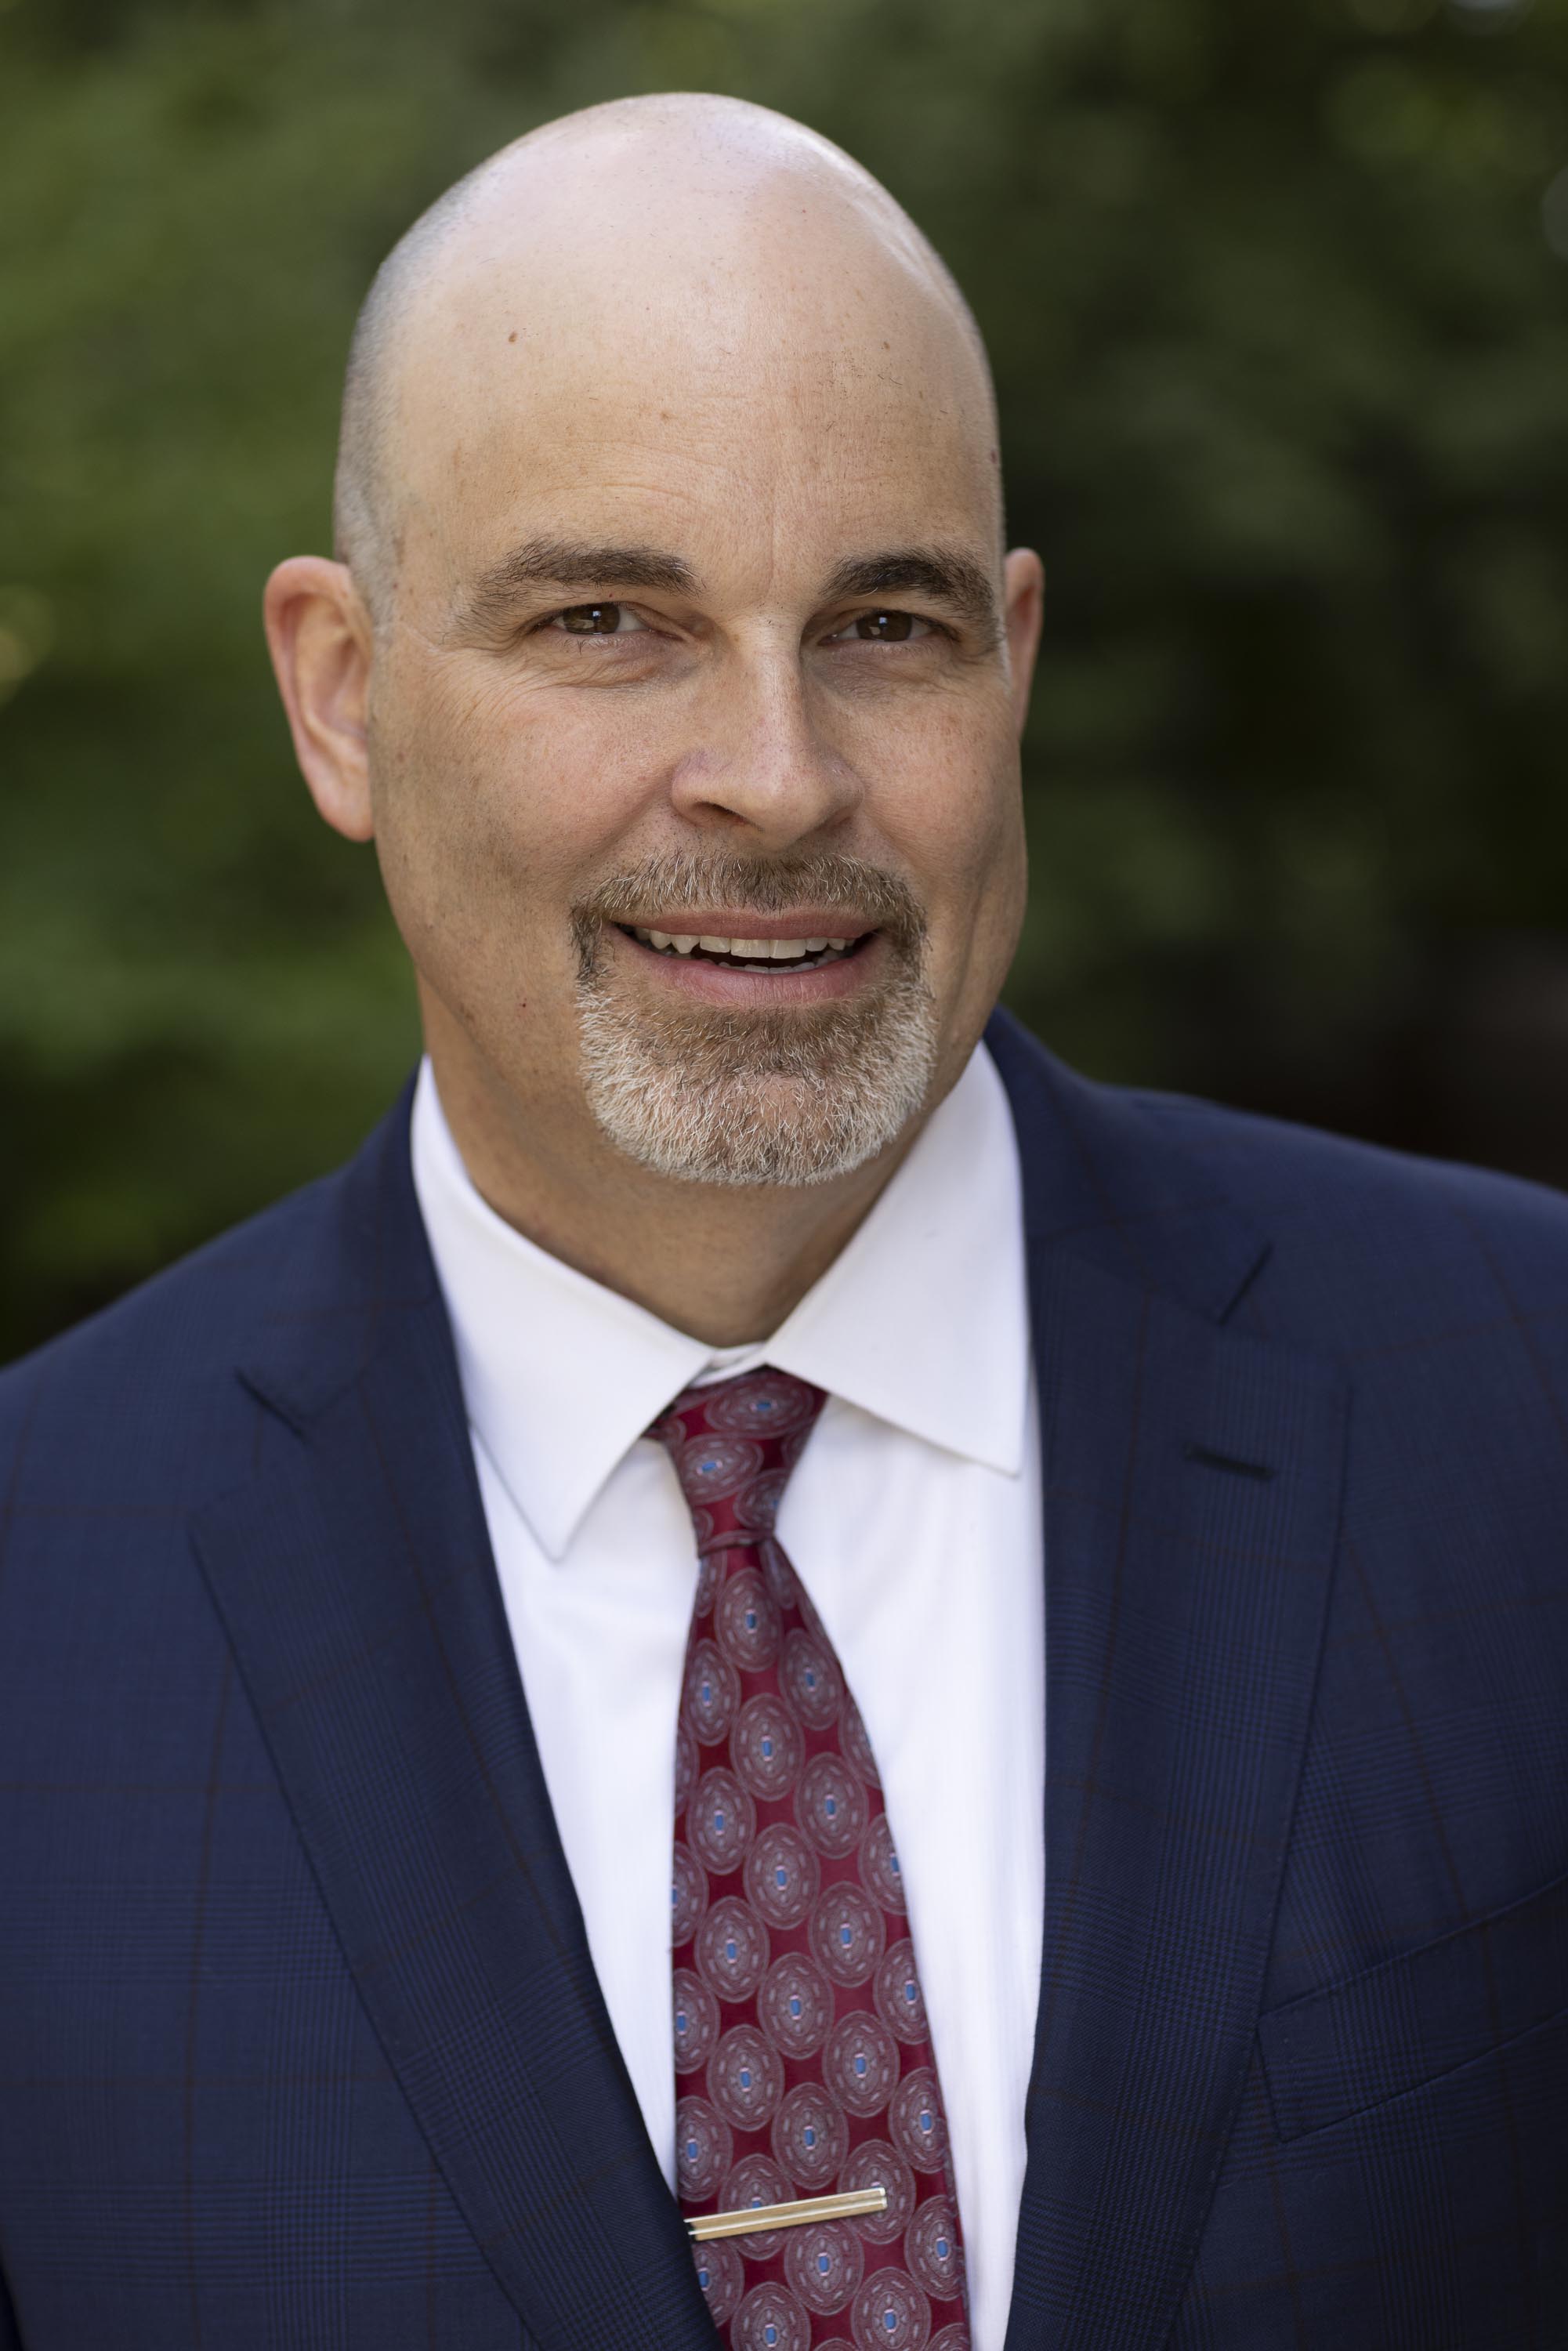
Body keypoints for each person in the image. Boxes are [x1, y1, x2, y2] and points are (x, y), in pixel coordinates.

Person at [0, 89, 1563, 2351]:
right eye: (611, 618)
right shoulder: (35, 1602)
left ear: (1011, 663)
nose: (778, 772)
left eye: (884, 624)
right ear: (341, 698)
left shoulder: (1522, 1411)